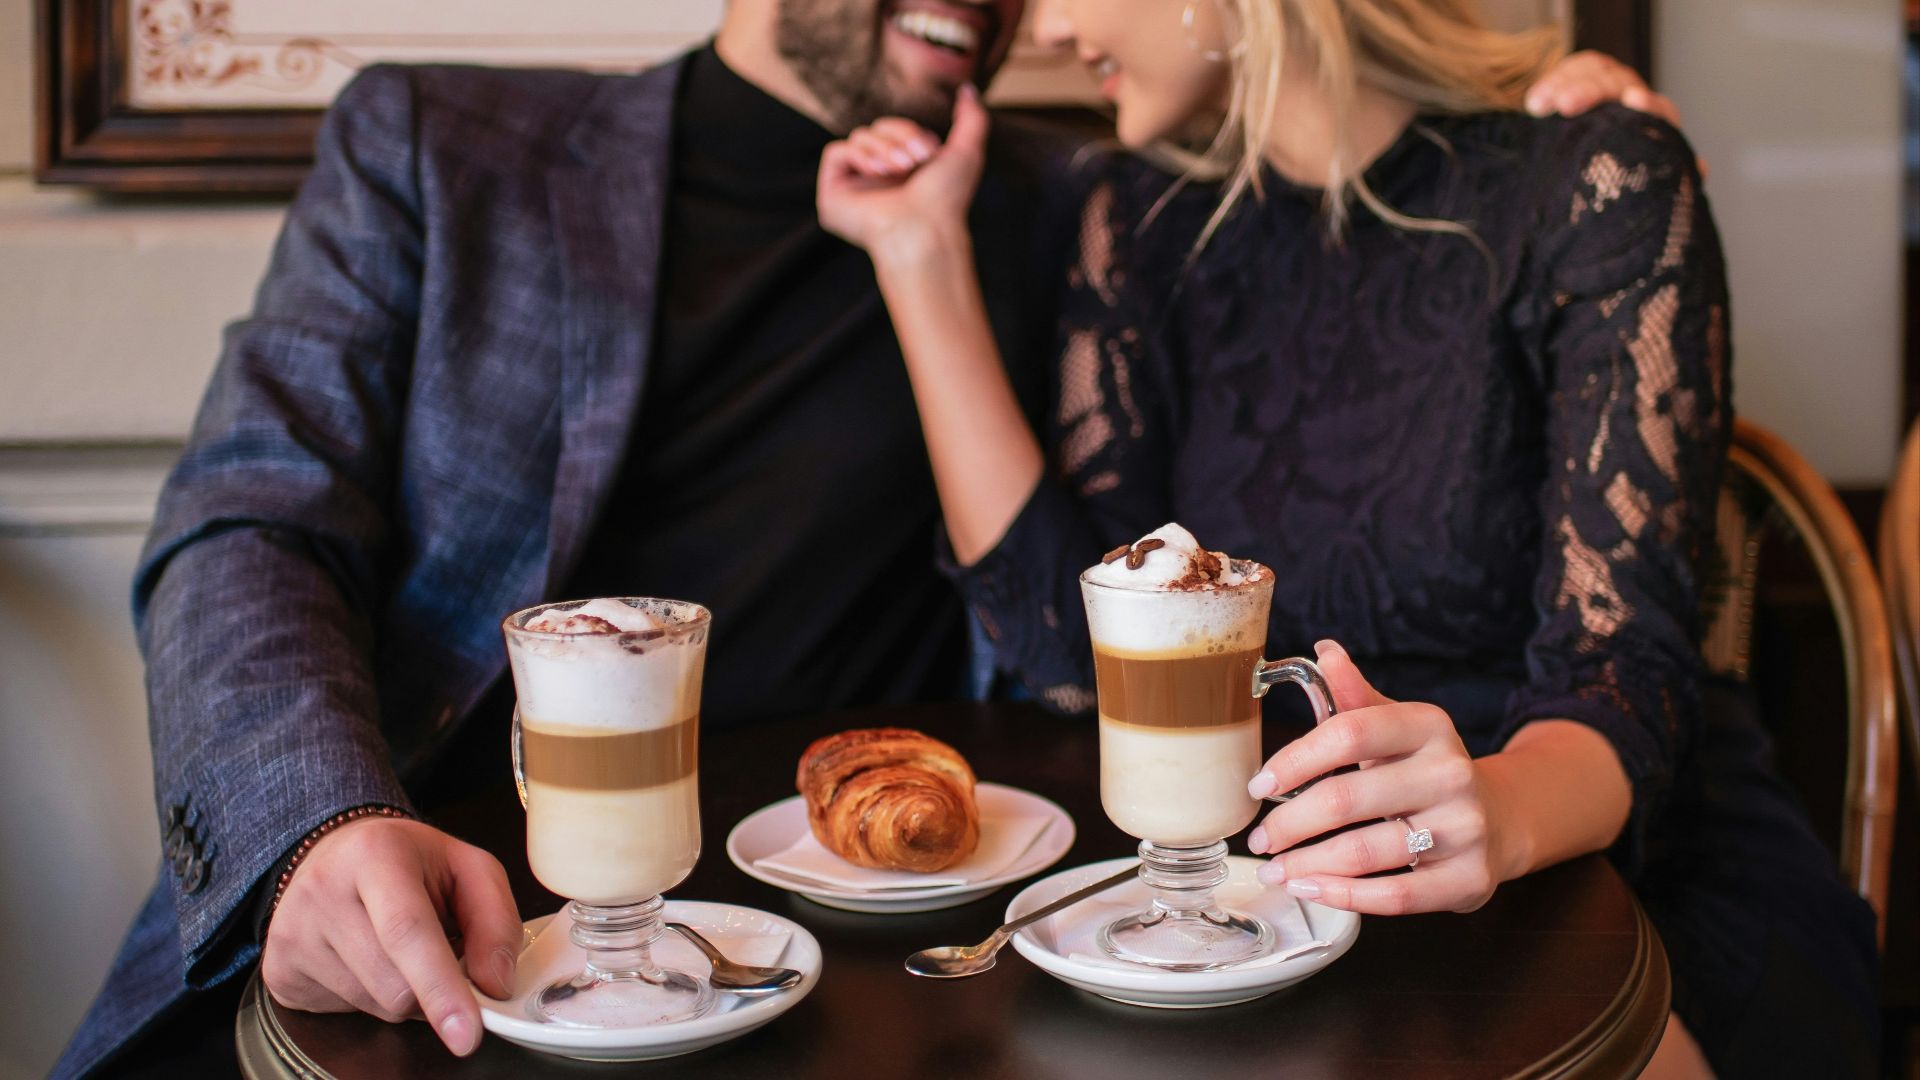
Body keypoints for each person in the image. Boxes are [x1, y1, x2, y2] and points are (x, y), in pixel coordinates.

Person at [51, 0, 1661, 1074]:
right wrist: (317, 829)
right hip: (454, 948)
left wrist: (1539, 114)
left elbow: (1354, 241)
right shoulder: (442, 148)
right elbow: (245, 522)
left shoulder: (1065, 212)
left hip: (871, 992)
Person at [816, 0, 1880, 1077]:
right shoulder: (1139, 217)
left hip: (1603, 855)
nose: (1039, 29)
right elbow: (1069, 654)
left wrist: (1494, 812)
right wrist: (916, 256)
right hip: (1282, 888)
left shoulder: (1597, 175)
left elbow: (1626, 673)